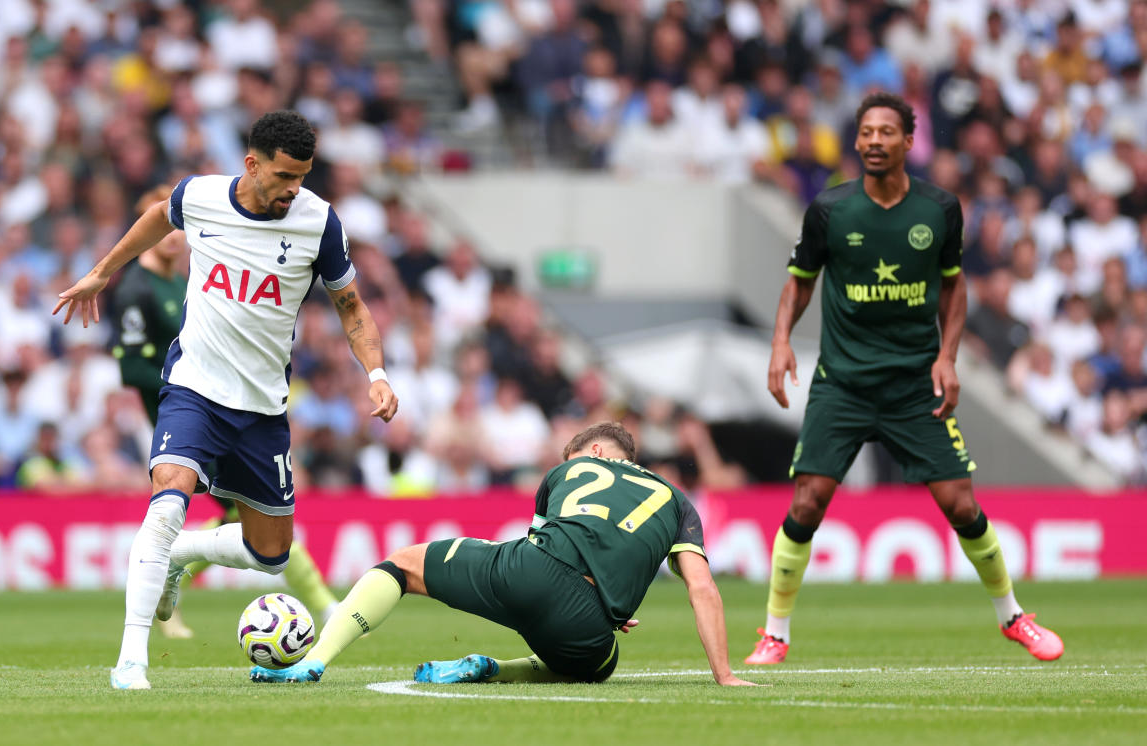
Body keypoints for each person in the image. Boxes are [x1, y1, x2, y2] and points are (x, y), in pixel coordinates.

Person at [54, 110, 399, 690]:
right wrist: (101, 273)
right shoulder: (201, 197)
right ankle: (131, 661)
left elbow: (353, 307)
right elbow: (156, 218)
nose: (295, 188)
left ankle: (184, 554)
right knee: (167, 499)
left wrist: (377, 373)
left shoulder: (320, 223)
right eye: (285, 176)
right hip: (194, 386)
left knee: (272, 556)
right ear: (252, 163)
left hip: (263, 407)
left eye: (303, 176)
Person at [746, 92, 1063, 665]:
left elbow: (953, 285)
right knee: (809, 501)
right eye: (865, 131)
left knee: (960, 504)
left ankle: (1013, 617)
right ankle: (775, 633)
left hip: (915, 383)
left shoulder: (938, 209)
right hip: (842, 383)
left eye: (885, 132)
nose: (873, 141)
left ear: (907, 141)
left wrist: (948, 357)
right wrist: (779, 342)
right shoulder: (829, 210)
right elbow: (800, 280)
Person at [249, 421, 754, 687]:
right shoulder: (677, 500)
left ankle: (313, 661)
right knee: (599, 665)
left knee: (402, 565)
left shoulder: (566, 473)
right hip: (587, 624)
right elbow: (703, 588)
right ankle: (494, 668)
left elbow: (545, 544)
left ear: (596, 454)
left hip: (525, 573)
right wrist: (724, 676)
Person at [109, 187, 340, 640]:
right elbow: (130, 366)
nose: (173, 239)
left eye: (176, 233)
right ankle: (323, 604)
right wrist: (190, 386)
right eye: (162, 232)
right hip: (187, 410)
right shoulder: (135, 289)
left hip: (224, 406)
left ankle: (171, 578)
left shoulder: (182, 279)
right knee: (236, 515)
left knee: (247, 520)